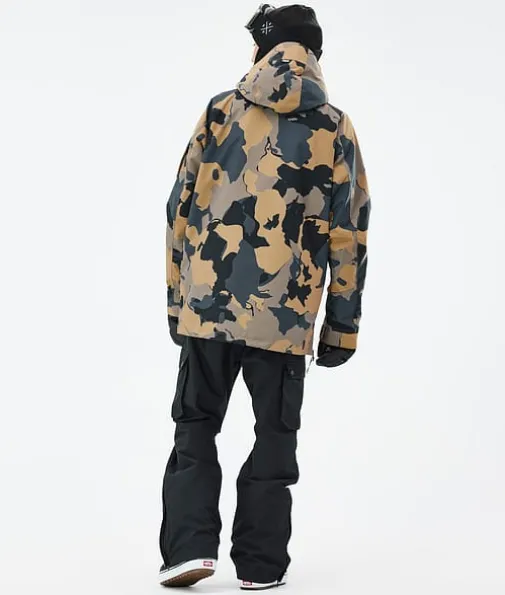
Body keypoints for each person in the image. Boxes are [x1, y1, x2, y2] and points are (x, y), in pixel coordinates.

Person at [159, 3, 371, 590]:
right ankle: (260, 565)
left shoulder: (219, 112)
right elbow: (349, 233)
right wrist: (342, 325)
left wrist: (177, 301)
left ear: (264, 49)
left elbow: (179, 209)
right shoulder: (334, 128)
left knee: (195, 426)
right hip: (284, 317)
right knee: (274, 436)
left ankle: (189, 550)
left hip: (207, 308)